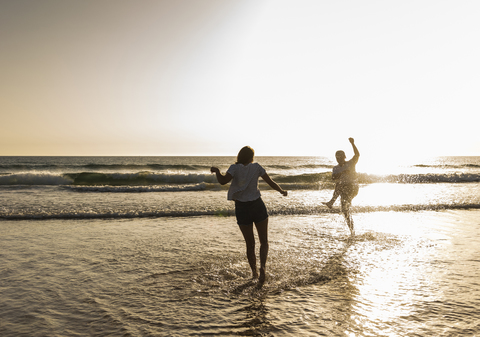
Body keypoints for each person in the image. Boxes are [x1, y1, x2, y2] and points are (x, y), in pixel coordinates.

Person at [210, 146, 288, 284]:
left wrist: (217, 171)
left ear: (240, 155)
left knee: (250, 244)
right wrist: (281, 190)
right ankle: (263, 268)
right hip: (257, 205)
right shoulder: (256, 167)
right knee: (264, 241)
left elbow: (222, 181)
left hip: (242, 208)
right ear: (251, 156)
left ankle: (254, 273)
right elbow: (270, 182)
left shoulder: (234, 168)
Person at [323, 138, 360, 235]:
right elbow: (333, 177)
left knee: (340, 184)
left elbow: (357, 155)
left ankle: (331, 201)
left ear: (344, 157)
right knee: (345, 210)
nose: (338, 159)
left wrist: (353, 143)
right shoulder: (335, 168)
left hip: (353, 187)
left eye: (340, 157)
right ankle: (352, 231)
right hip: (343, 189)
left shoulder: (350, 163)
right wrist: (342, 172)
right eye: (337, 157)